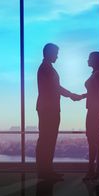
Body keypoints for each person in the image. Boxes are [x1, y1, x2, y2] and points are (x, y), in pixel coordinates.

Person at [36, 43, 82, 180]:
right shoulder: (46, 68)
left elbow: (55, 87)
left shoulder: (46, 68)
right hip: (49, 109)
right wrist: (72, 95)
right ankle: (45, 172)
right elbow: (56, 88)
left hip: (47, 108)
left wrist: (70, 95)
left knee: (47, 139)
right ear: (49, 53)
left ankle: (46, 170)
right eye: (56, 53)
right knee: (47, 140)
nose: (57, 56)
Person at [79, 51, 99, 181]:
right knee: (95, 141)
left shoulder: (98, 74)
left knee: (93, 140)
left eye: (89, 58)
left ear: (95, 60)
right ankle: (96, 170)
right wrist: (83, 96)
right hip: (96, 110)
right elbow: (96, 93)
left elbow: (97, 94)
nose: (87, 60)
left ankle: (92, 170)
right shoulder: (98, 74)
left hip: (94, 111)